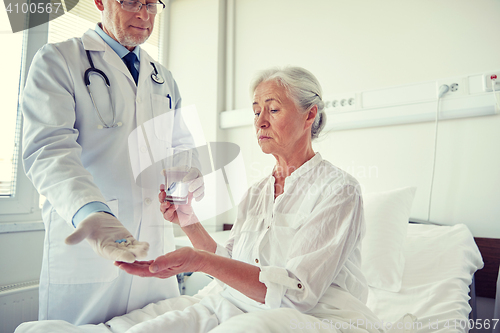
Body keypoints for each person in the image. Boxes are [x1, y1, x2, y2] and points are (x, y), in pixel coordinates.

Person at [16, 66, 383, 333]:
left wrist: (199, 260)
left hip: (317, 316)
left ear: (310, 116)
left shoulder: (339, 190)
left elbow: (297, 294)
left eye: (272, 109)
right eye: (256, 111)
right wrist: (188, 221)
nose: (260, 122)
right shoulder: (258, 192)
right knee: (144, 328)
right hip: (240, 302)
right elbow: (231, 266)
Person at [21, 0, 203, 326]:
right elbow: (49, 149)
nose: (143, 14)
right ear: (100, 2)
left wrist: (186, 173)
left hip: (154, 245)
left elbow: (181, 143)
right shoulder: (59, 60)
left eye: (152, 4)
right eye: (132, 1)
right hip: (90, 246)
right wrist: (90, 211)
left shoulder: (163, 78)